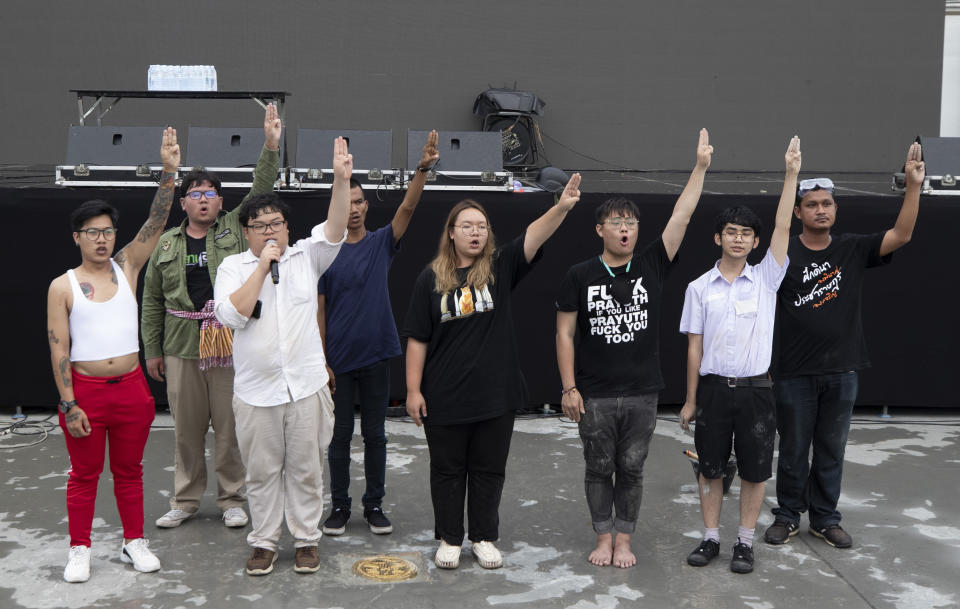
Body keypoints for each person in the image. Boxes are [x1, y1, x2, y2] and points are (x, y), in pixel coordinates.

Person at [403, 173, 582, 570]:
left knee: (488, 470)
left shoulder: (499, 269)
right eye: (466, 226)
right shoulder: (429, 279)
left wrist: (563, 206)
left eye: (482, 227)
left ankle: (482, 537)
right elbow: (417, 339)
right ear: (451, 233)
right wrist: (413, 391)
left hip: (495, 396)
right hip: (445, 397)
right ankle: (449, 538)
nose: (475, 233)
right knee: (447, 471)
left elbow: (534, 236)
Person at [556, 129, 713, 569]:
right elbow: (564, 334)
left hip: (643, 391)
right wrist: (569, 388)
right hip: (595, 393)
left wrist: (699, 167)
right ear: (600, 229)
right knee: (597, 467)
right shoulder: (579, 275)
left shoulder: (650, 265)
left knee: (632, 468)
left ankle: (624, 540)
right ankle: (602, 537)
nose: (625, 229)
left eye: (632, 223)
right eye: (617, 223)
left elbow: (681, 217)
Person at [763, 141, 924, 549]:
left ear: (835, 210)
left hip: (842, 370)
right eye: (812, 204)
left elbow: (902, 234)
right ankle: (787, 515)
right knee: (795, 450)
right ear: (798, 211)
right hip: (793, 373)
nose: (821, 209)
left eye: (827, 204)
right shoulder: (783, 255)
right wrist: (790, 176)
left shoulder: (851, 248)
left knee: (831, 450)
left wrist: (913, 187)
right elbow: (777, 232)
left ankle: (825, 518)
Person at [47, 127, 180, 583]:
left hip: (131, 390)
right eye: (93, 233)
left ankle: (133, 541)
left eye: (108, 232)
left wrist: (169, 174)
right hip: (86, 391)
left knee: (130, 471)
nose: (102, 240)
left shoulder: (127, 267)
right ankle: (80, 548)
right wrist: (68, 403)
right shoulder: (62, 286)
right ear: (77, 237)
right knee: (84, 475)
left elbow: (156, 224)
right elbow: (59, 349)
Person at [213, 137, 350, 576]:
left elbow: (336, 227)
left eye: (276, 223)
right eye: (259, 225)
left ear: (288, 228)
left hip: (306, 385)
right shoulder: (232, 268)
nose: (270, 230)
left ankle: (307, 539)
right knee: (262, 472)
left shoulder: (307, 256)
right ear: (246, 232)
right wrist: (260, 266)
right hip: (256, 393)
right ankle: (265, 541)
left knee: (307, 469)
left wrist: (342, 179)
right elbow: (232, 314)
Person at [142, 104, 282, 530]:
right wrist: (152, 350)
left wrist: (271, 146)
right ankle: (184, 500)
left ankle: (231, 498)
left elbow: (261, 188)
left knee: (228, 427)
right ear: (184, 202)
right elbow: (150, 299)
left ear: (220, 201)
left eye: (210, 193)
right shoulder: (166, 243)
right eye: (195, 194)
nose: (203, 200)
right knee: (185, 429)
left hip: (227, 342)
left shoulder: (236, 228)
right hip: (181, 344)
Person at [678, 137, 798, 574]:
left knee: (754, 471)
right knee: (709, 470)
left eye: (746, 234)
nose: (738, 239)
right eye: (731, 232)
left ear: (754, 242)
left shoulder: (767, 278)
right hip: (711, 390)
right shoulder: (698, 288)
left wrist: (790, 175)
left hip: (756, 392)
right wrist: (690, 400)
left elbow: (784, 228)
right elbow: (694, 346)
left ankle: (744, 542)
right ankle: (710, 538)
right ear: (718, 237)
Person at [319, 130, 439, 537]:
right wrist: (321, 360)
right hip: (336, 361)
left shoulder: (380, 244)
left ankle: (373, 506)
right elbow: (317, 311)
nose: (352, 210)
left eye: (358, 202)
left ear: (366, 206)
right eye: (345, 203)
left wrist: (421, 168)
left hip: (375, 357)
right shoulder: (323, 252)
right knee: (337, 439)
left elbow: (407, 206)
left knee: (375, 435)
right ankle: (338, 506)